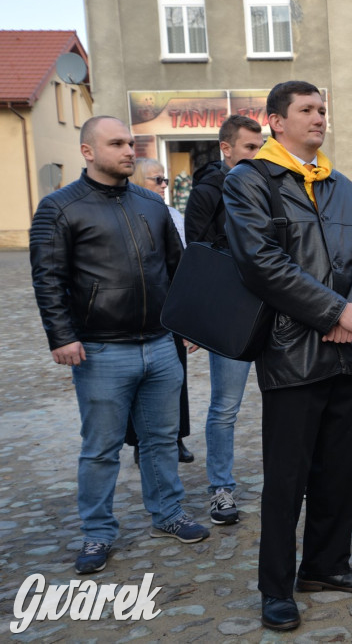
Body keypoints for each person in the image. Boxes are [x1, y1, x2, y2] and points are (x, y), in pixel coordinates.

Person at [222, 81, 352, 632]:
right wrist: (335, 313)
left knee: (338, 469)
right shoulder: (250, 181)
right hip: (292, 349)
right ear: (275, 121)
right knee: (286, 478)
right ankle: (275, 588)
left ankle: (326, 565)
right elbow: (260, 263)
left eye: (322, 110)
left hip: (346, 350)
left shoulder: (339, 184)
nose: (319, 119)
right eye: (307, 111)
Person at [29, 116, 210, 576]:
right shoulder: (60, 207)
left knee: (161, 440)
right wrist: (62, 336)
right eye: (116, 144)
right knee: (102, 447)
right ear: (88, 152)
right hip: (101, 350)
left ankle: (168, 513)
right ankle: (97, 531)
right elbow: (48, 278)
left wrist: (187, 323)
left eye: (131, 143)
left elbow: (178, 269)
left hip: (159, 344)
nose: (129, 150)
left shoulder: (151, 204)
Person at [184, 114, 264, 525]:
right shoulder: (207, 193)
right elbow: (199, 256)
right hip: (232, 313)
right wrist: (199, 319)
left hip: (275, 309)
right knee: (226, 407)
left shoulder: (272, 185)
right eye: (249, 147)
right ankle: (221, 489)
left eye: (260, 147)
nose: (257, 154)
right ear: (226, 149)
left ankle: (291, 479)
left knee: (286, 399)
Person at [126, 157, 194, 465]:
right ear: (139, 182)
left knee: (176, 379)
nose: (165, 185)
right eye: (158, 180)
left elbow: (184, 263)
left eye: (165, 180)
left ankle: (176, 438)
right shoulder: (126, 213)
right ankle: (141, 442)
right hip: (136, 314)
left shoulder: (173, 214)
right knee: (136, 386)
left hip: (171, 311)